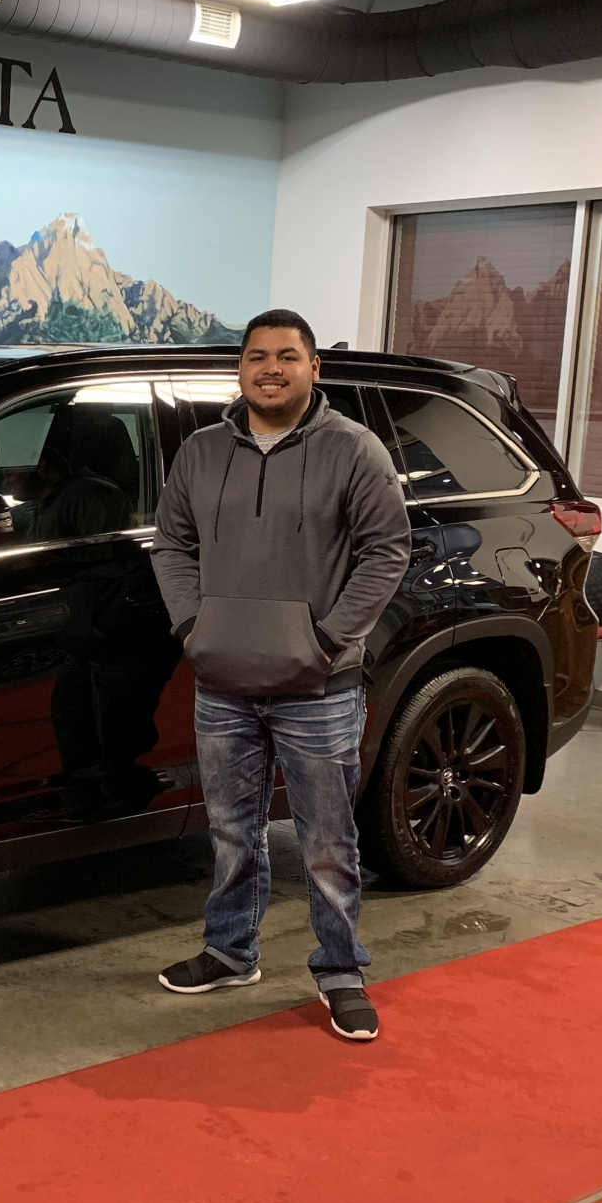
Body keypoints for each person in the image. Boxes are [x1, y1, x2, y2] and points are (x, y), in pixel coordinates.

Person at [149, 310, 409, 1041]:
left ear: (313, 368)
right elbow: (171, 544)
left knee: (326, 842)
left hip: (319, 687)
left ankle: (341, 970)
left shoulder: (354, 450)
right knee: (233, 832)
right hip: (223, 682)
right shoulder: (201, 451)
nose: (271, 368)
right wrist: (192, 626)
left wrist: (324, 639)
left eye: (287, 356)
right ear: (240, 369)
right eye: (257, 356)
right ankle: (231, 951)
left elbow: (387, 551)